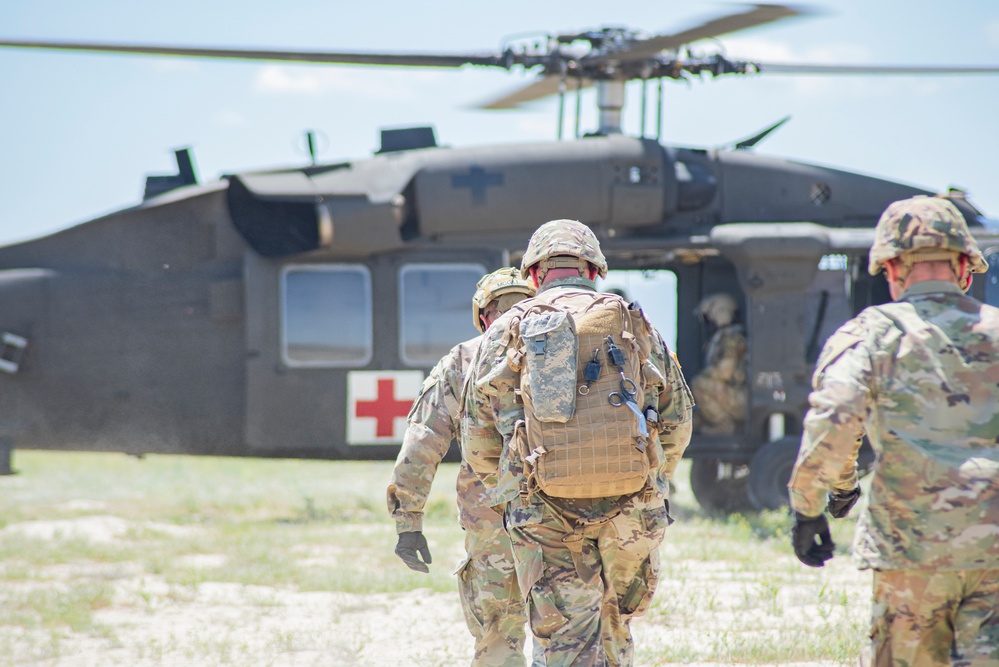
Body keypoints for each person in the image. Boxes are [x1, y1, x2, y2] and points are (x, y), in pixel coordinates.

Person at [462, 219, 694, 667]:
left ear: (533, 274)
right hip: (632, 510)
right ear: (594, 270)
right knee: (615, 630)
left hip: (545, 511)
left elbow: (477, 436)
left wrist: (518, 485)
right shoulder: (633, 319)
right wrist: (648, 477)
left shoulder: (507, 327)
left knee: (564, 643)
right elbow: (677, 418)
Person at [787, 195, 999, 667]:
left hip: (914, 546)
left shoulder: (873, 333)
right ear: (965, 267)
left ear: (891, 270)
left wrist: (812, 505)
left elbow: (839, 413)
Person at [386, 266, 542, 667]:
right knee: (571, 635)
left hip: (492, 525)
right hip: (567, 518)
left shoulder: (463, 359)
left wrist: (409, 523)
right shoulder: (569, 352)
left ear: (485, 315)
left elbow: (422, 444)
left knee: (497, 638)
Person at [689, 293, 747, 434]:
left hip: (741, 397)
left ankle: (724, 426)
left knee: (700, 383)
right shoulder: (721, 338)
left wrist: (706, 376)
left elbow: (725, 372)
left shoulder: (733, 338)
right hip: (733, 395)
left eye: (709, 317)